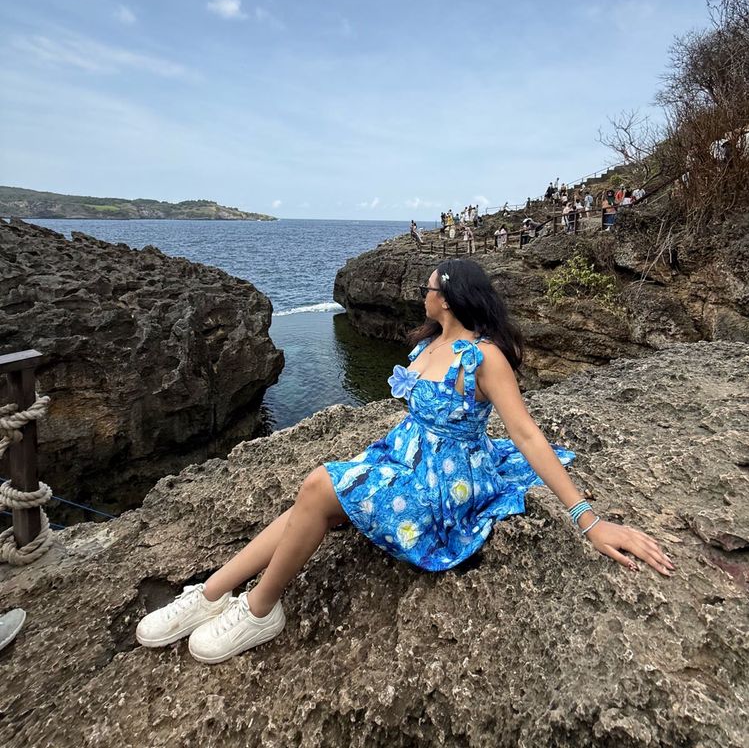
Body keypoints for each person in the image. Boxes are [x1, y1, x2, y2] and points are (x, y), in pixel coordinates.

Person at [134, 260, 675, 663]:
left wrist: (591, 522)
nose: (423, 295)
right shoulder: (426, 346)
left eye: (430, 289)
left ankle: (260, 610)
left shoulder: (483, 358)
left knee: (321, 484)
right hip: (406, 456)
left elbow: (527, 435)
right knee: (314, 496)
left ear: (451, 297)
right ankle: (208, 595)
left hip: (448, 482)